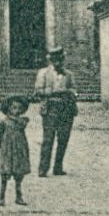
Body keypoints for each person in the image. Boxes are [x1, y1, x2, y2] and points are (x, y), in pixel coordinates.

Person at [32, 47, 78, 177]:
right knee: (48, 139)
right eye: (55, 60)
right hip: (50, 108)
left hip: (67, 108)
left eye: (61, 60)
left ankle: (58, 167)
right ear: (51, 60)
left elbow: (74, 89)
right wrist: (54, 91)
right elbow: (37, 91)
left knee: (63, 138)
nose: (58, 62)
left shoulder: (69, 74)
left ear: (63, 59)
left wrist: (71, 92)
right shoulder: (43, 73)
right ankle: (43, 168)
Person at [0, 95, 32, 206]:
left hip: (19, 151)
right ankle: (1, 198)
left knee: (19, 175)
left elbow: (22, 129)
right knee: (5, 174)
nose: (17, 111)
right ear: (8, 109)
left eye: (19, 108)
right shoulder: (4, 123)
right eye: (14, 108)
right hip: (8, 152)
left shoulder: (21, 123)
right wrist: (3, 145)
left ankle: (19, 197)